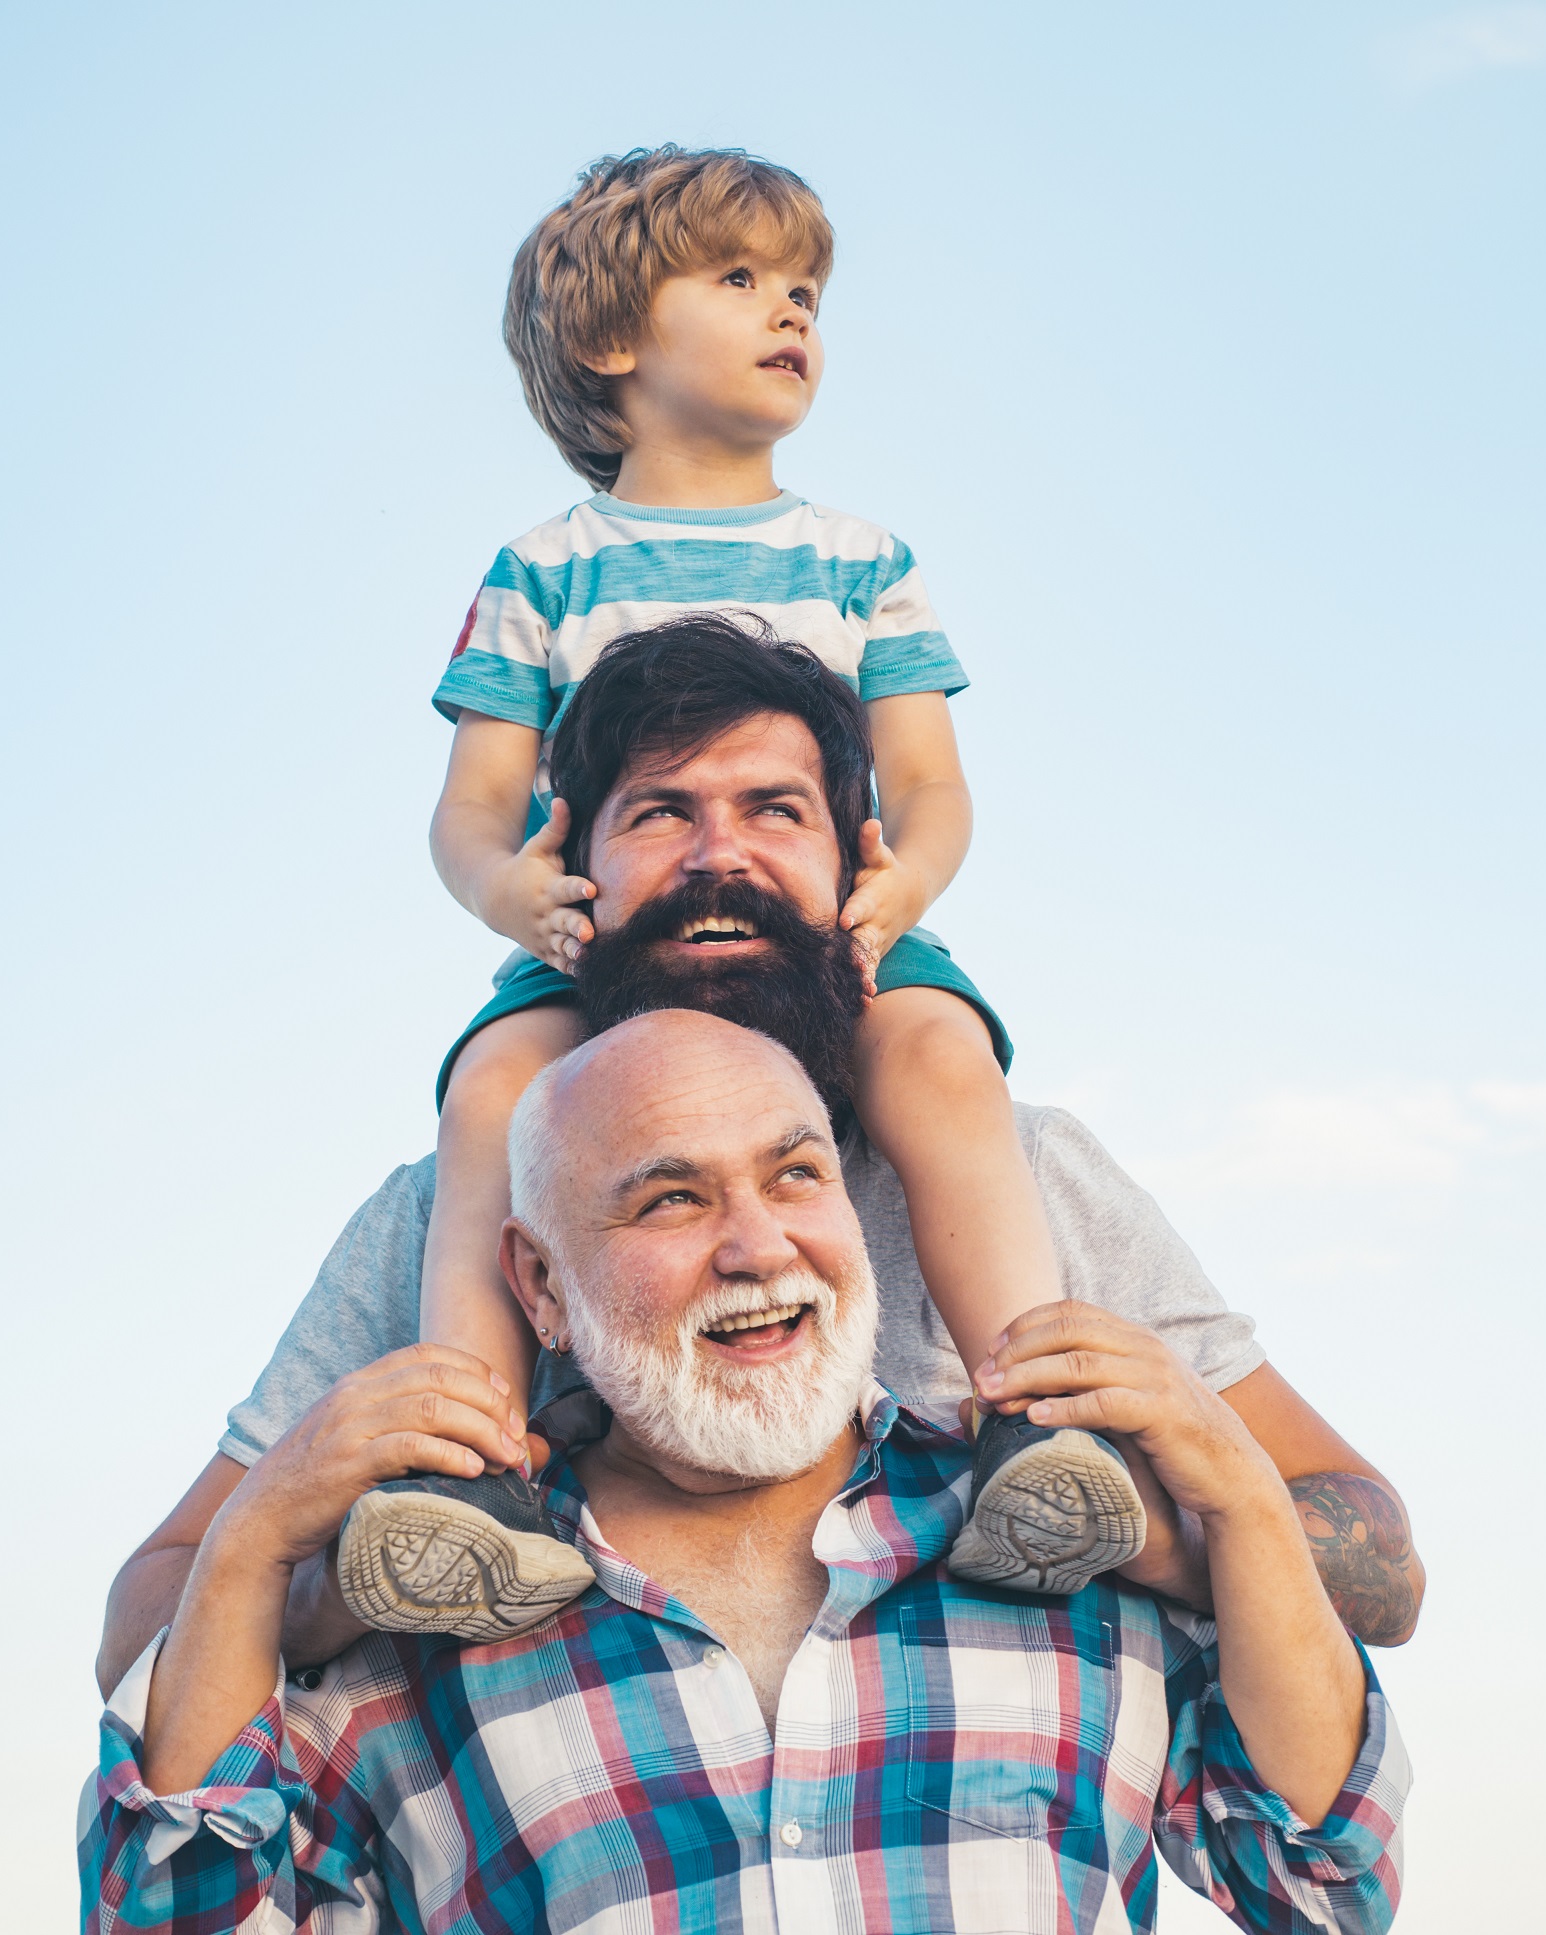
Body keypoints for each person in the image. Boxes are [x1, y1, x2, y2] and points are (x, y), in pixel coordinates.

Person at [97, 616, 1427, 1687]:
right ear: (576, 870)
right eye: (659, 814)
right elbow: (138, 1635)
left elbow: (1384, 1572)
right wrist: (331, 1571)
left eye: (773, 811)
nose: (716, 856)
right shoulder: (444, 1217)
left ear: (858, 860)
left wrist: (1167, 1521)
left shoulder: (1032, 1183)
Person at [81, 1010, 1408, 1934]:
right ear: (538, 1284)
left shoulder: (1067, 1547)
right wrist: (254, 1537)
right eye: (671, 1199)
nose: (757, 1245)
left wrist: (1233, 1488)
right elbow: (172, 1919)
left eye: (797, 1178)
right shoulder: (414, 1632)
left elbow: (1320, 1885)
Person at [382, 141, 1146, 1632]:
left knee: (937, 1054)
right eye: (736, 280)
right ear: (610, 340)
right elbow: (472, 807)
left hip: (831, 932)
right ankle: (470, 1477)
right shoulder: (544, 567)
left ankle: (1031, 1429)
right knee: (491, 1092)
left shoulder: (863, 561)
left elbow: (927, 783)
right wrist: (508, 902)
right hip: (604, 943)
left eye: (801, 286)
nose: (789, 310)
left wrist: (902, 887)